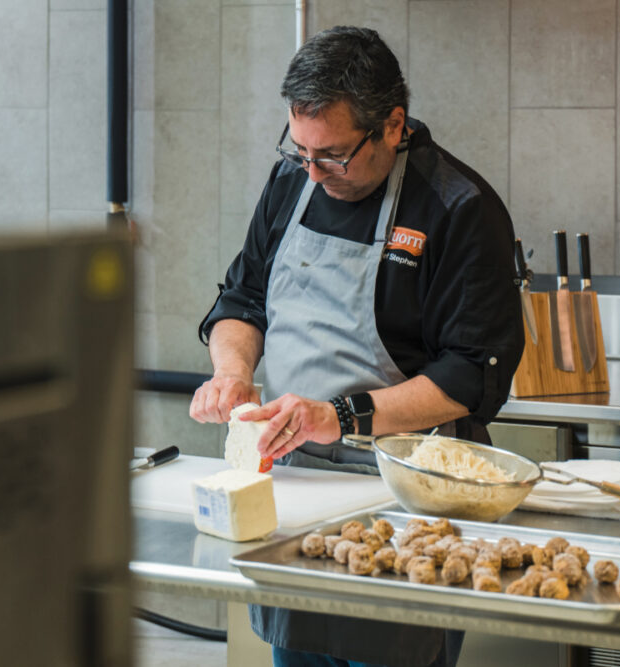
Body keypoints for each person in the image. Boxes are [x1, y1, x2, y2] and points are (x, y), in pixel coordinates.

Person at [189, 25, 524, 667]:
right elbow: (242, 299)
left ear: (393, 124)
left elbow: (469, 378)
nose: (313, 172)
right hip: (290, 494)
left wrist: (337, 417)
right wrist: (231, 371)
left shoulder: (458, 209)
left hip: (407, 505)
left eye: (333, 156)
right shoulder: (294, 182)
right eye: (301, 150)